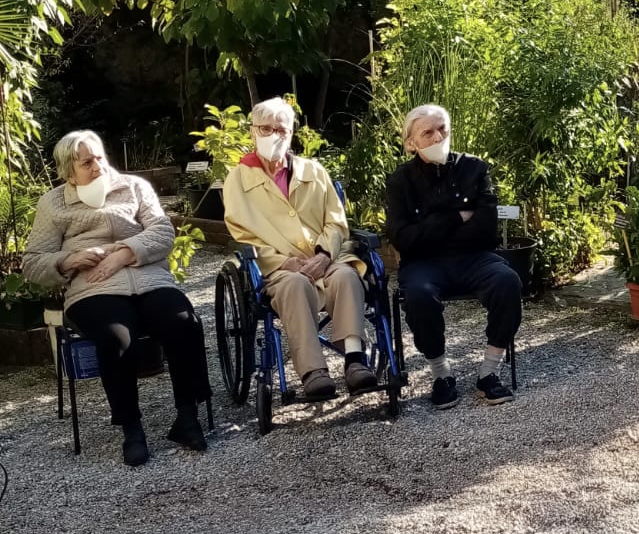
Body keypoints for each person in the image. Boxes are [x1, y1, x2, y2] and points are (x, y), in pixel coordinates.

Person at [23, 130, 212, 466]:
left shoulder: (134, 186)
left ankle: (187, 416)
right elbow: (34, 261)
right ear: (69, 172)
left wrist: (126, 252)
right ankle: (132, 428)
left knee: (183, 322)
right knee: (117, 336)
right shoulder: (52, 204)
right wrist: (69, 260)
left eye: (99, 157)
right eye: (86, 163)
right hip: (92, 288)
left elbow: (163, 230)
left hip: (149, 277)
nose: (97, 167)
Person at [222, 97, 378, 401]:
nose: (273, 135)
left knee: (347, 277)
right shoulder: (237, 179)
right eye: (265, 129)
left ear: (291, 133)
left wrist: (324, 254)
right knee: (293, 285)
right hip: (281, 269)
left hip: (325, 258)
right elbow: (241, 232)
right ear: (253, 132)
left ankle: (355, 361)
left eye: (280, 129)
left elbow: (336, 221)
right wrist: (281, 262)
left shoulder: (314, 170)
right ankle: (313, 372)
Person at [384, 104, 521, 408]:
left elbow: (486, 230)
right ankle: (441, 375)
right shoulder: (400, 182)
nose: (437, 137)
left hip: (474, 257)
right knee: (418, 295)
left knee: (507, 281)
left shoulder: (475, 168)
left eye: (442, 129)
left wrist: (428, 230)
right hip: (424, 264)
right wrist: (456, 218)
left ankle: (489, 372)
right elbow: (402, 239)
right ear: (411, 143)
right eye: (427, 132)